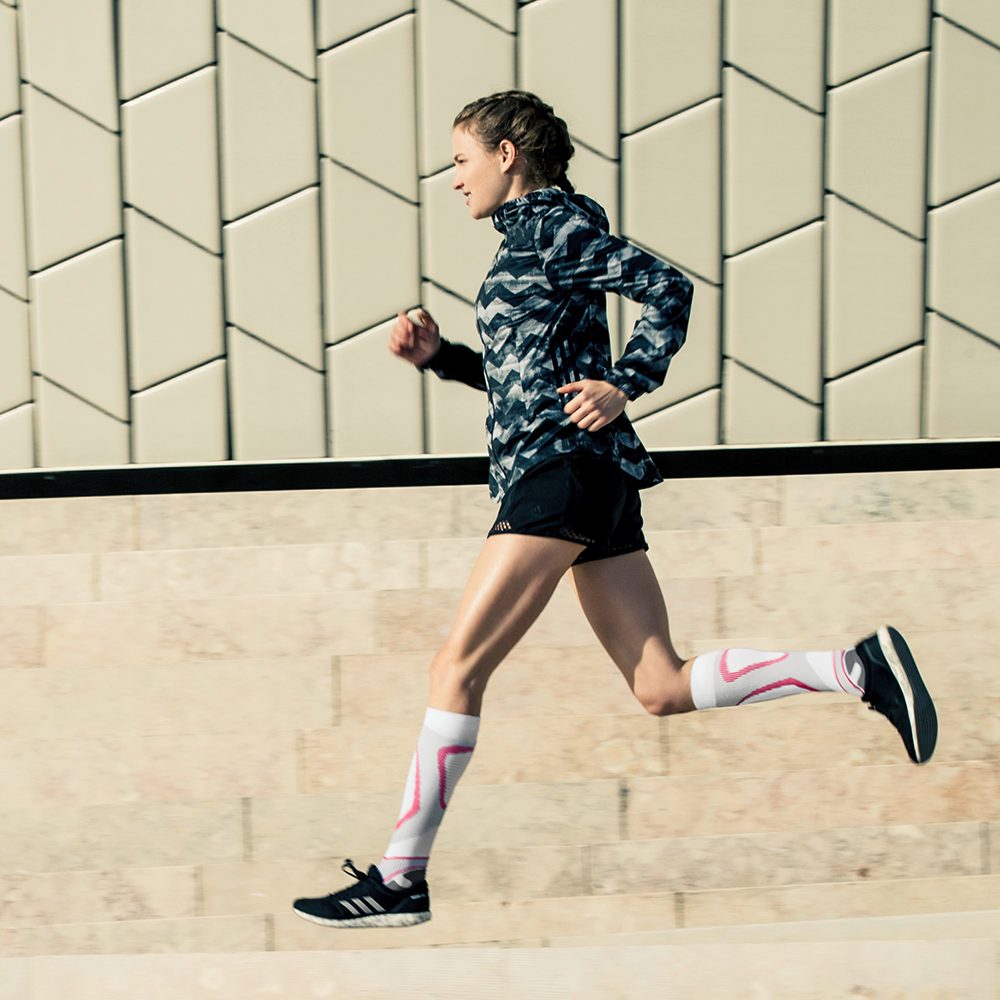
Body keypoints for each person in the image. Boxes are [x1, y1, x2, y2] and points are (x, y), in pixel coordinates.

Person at [292, 90, 938, 930]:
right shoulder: (536, 239)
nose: (453, 179)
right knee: (660, 685)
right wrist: (443, 357)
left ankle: (400, 875)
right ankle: (857, 668)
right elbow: (527, 377)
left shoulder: (554, 229)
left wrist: (626, 382)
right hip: (588, 477)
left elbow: (668, 288)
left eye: (460, 160)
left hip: (556, 476)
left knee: (455, 668)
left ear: (506, 156)